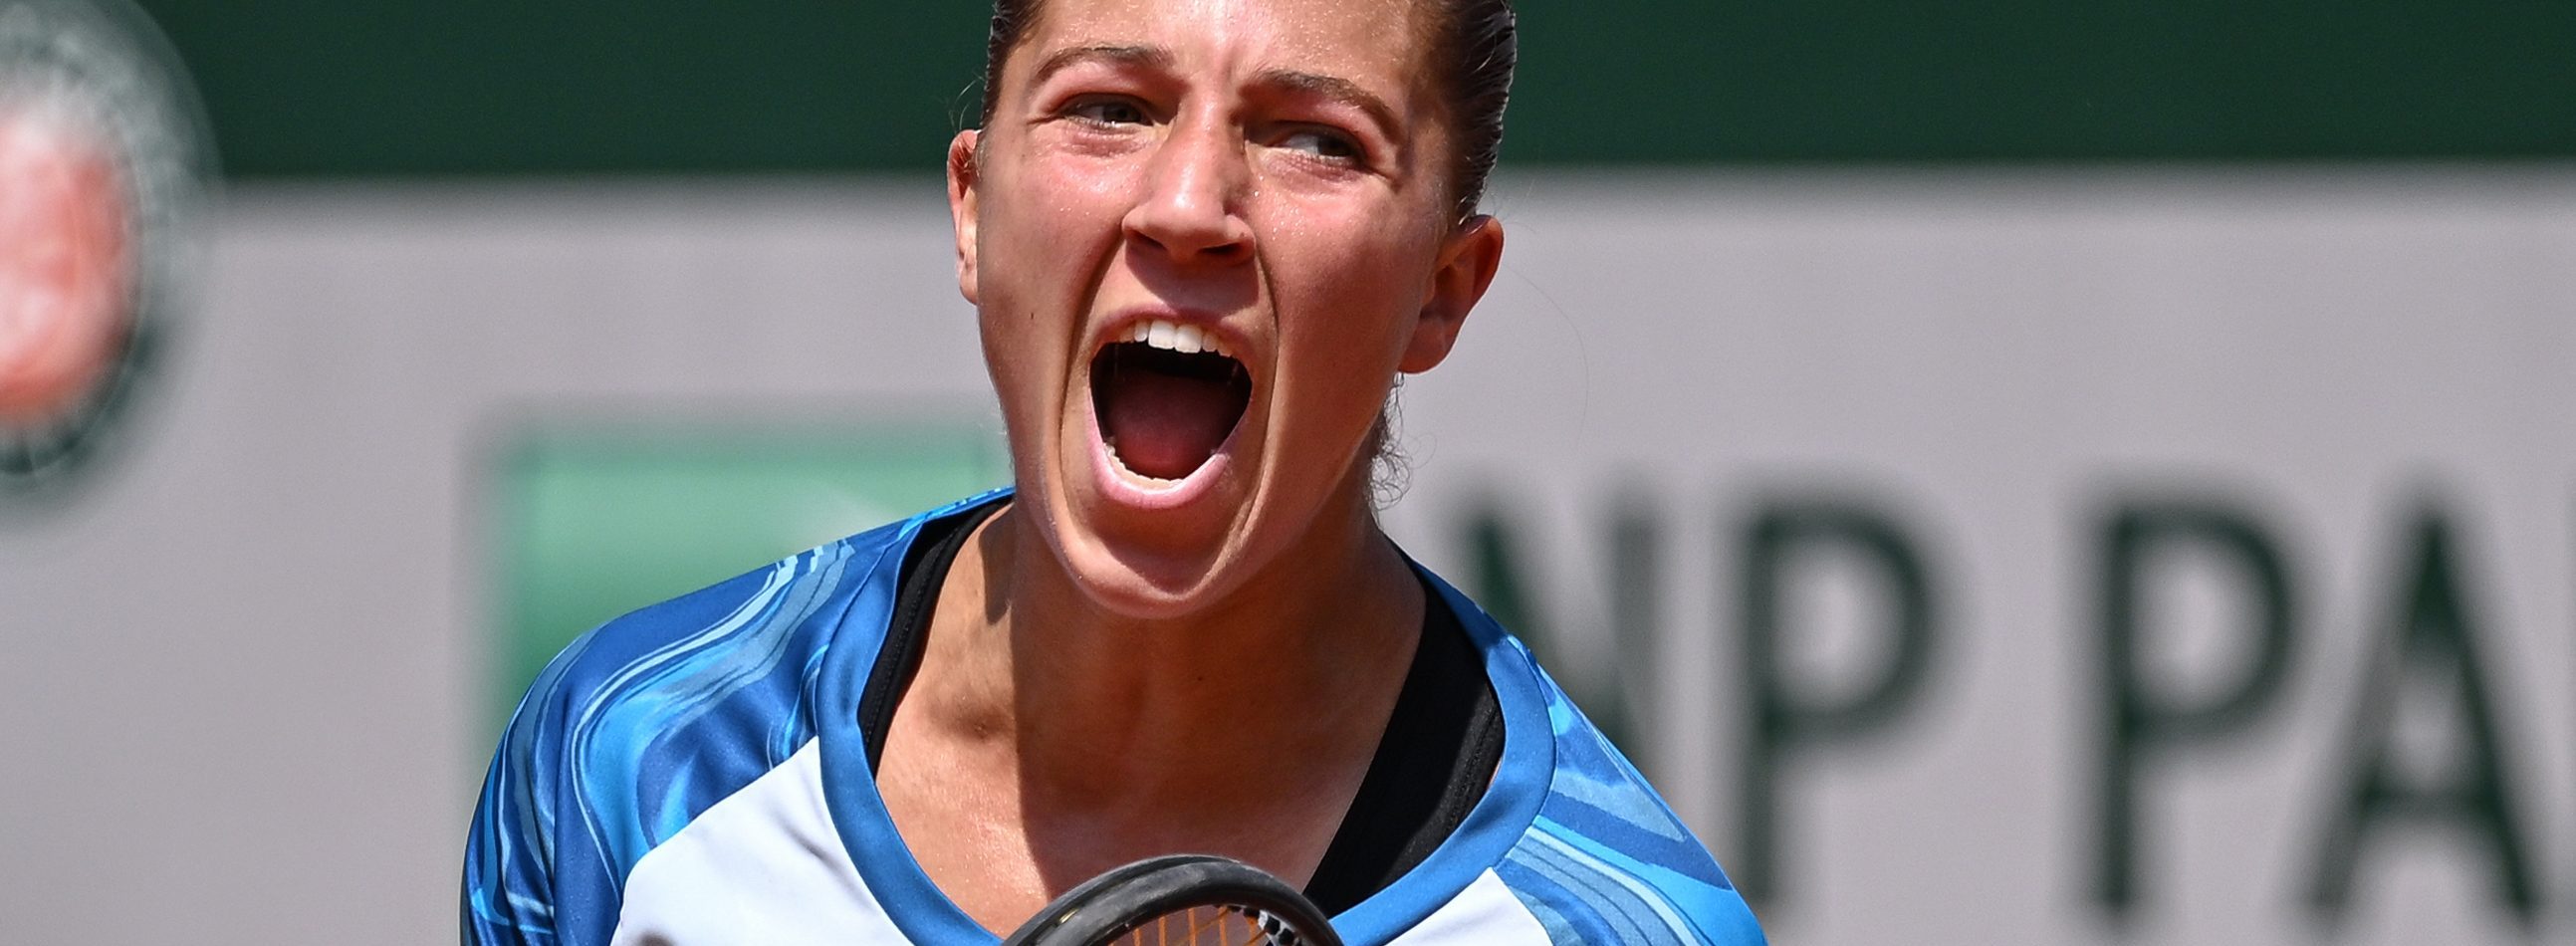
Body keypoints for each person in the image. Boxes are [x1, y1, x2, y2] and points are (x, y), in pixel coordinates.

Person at [462, 0, 1766, 942]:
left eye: (1313, 136)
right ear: (973, 207)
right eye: (1109, 107)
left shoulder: (1623, 925)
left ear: (1442, 288)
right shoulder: (627, 767)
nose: (1189, 203)